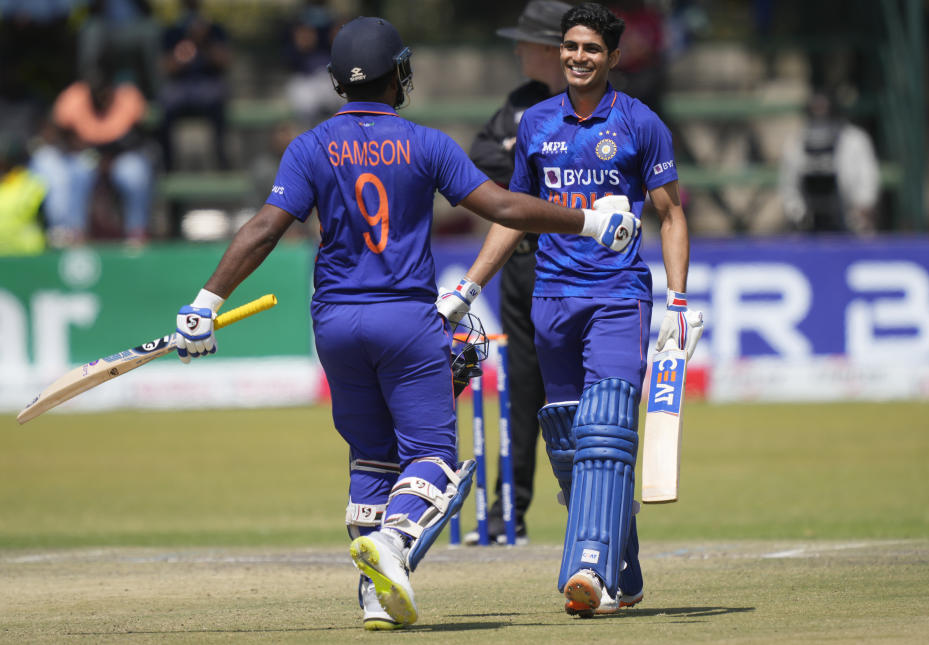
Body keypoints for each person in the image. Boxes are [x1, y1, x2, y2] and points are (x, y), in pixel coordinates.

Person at [171, 16, 640, 631]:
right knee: (434, 462)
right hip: (403, 319)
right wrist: (588, 221)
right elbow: (500, 206)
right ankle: (393, 544)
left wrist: (205, 303)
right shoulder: (426, 143)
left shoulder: (310, 147)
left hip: (335, 323)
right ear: (399, 73)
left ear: (339, 82)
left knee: (371, 457)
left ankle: (375, 596)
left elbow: (264, 228)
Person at [442, 2, 703, 618]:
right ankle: (627, 570)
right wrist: (469, 288)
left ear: (613, 57)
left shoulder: (640, 123)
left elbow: (670, 213)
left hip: (618, 296)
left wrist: (680, 300)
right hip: (551, 298)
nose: (578, 57)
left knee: (607, 429)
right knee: (567, 438)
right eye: (571, 47)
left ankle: (588, 569)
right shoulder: (534, 122)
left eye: (591, 49)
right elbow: (514, 213)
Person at [462, 0, 571, 547]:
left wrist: (526, 157)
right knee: (521, 390)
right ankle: (510, 509)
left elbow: (571, 172)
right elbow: (482, 161)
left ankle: (593, 502)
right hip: (521, 263)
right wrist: (527, 156)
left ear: (553, 49)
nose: (517, 49)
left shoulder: (589, 104)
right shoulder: (520, 103)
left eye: (526, 41)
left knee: (577, 389)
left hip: (573, 265)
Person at [29, 61, 153, 247]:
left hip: (121, 157)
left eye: (105, 90)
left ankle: (137, 232)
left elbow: (143, 136)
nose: (101, 96)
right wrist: (78, 147)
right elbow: (56, 135)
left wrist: (111, 157)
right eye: (96, 91)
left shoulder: (128, 96)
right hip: (85, 156)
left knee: (135, 172)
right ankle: (75, 232)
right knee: (79, 170)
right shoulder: (74, 97)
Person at [779, 90, 880, 234]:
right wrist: (798, 214)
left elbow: (867, 178)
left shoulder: (854, 140)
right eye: (815, 109)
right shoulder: (797, 142)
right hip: (809, 224)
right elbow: (788, 185)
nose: (820, 114)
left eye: (823, 108)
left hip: (848, 220)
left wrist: (861, 208)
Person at [158, 0, 232, 171]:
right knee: (165, 102)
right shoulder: (173, 31)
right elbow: (166, 67)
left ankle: (221, 160)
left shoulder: (215, 30)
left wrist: (203, 42)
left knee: (219, 97)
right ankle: (168, 164)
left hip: (209, 84)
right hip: (180, 86)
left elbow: (225, 62)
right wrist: (182, 54)